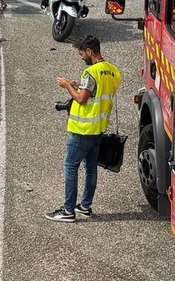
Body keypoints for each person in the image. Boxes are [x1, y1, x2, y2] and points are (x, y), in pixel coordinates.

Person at [49, 36, 123, 223]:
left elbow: (81, 99)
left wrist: (67, 86)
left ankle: (68, 211)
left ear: (90, 52)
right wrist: (79, 87)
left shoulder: (90, 73)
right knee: (91, 169)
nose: (82, 58)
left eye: (82, 54)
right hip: (98, 130)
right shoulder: (113, 72)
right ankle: (85, 206)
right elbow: (95, 94)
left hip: (82, 130)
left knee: (71, 167)